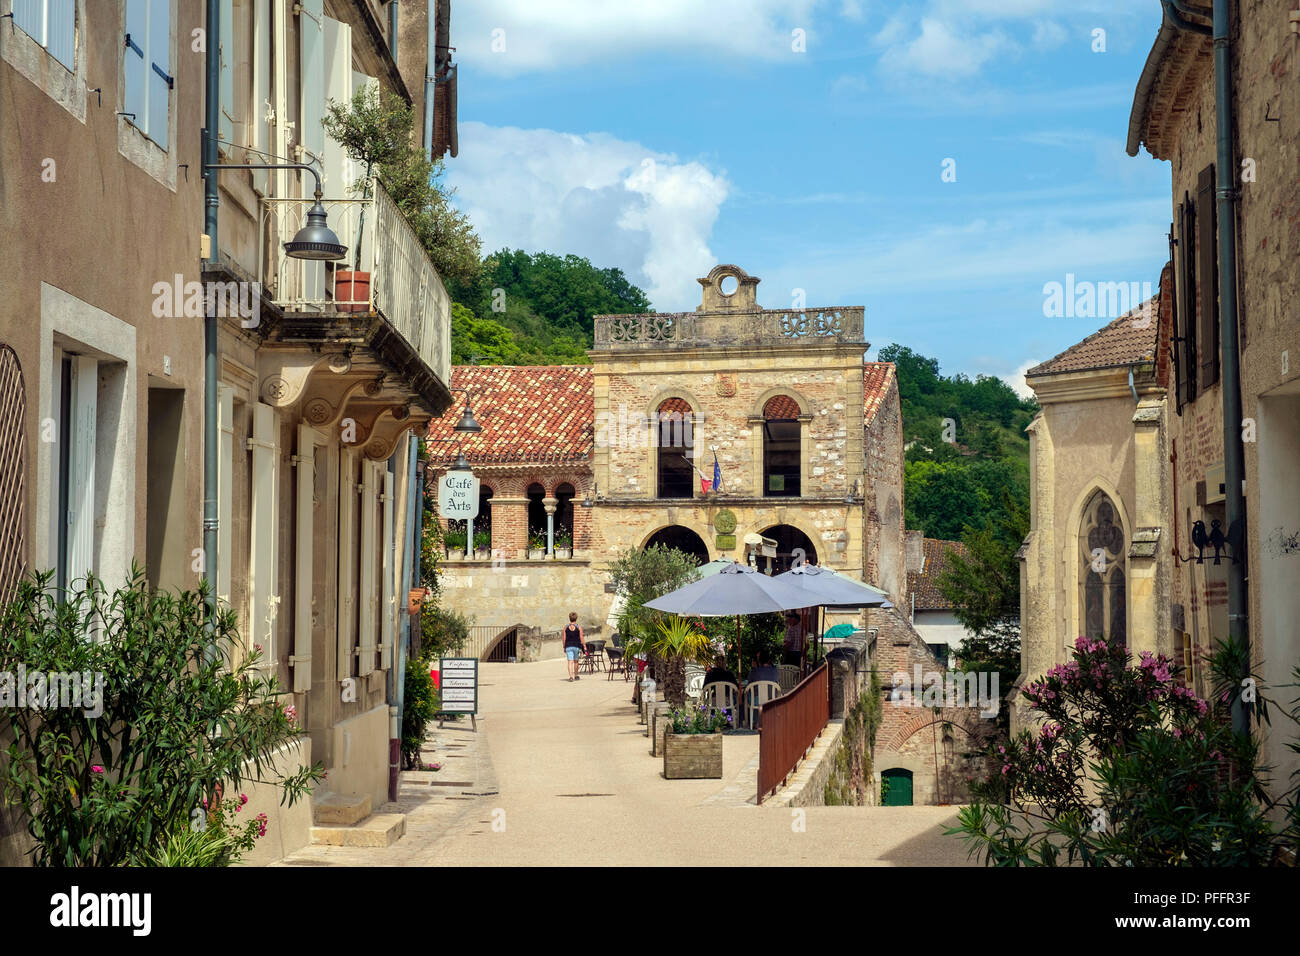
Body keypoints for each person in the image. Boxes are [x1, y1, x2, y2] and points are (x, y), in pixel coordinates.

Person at [563, 612, 585, 681]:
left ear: (569, 618)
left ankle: (570, 677)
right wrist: (584, 646)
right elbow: (581, 638)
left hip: (568, 646)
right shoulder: (579, 627)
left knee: (570, 661)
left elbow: (564, 638)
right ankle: (576, 675)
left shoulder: (565, 627)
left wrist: (564, 647)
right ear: (576, 618)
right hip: (576, 646)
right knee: (576, 661)